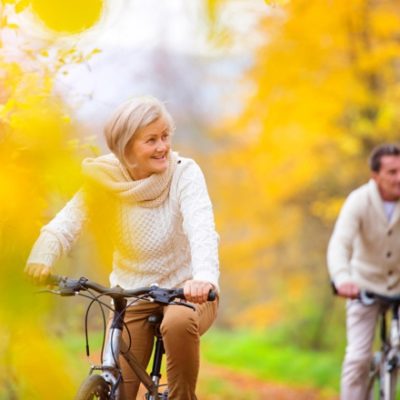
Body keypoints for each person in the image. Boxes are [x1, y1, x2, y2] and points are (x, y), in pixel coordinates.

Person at [24, 95, 220, 400]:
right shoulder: (104, 181)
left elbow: (202, 228)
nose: (163, 147)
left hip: (188, 292)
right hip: (132, 294)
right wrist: (42, 257)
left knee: (178, 321)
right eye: (151, 140)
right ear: (126, 148)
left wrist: (204, 276)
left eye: (165, 137)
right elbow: (65, 225)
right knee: (119, 390)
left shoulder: (184, 173)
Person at [327, 143, 400, 400]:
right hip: (364, 286)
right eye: (392, 172)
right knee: (358, 358)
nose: (398, 178)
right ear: (375, 176)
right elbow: (340, 244)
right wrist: (342, 278)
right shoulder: (359, 201)